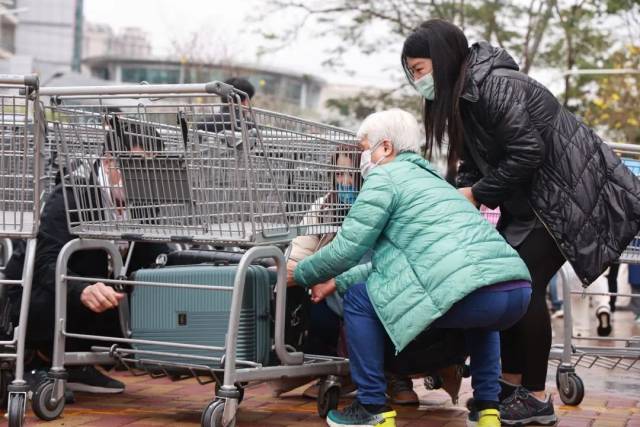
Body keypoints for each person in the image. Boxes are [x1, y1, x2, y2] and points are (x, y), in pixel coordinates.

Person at [401, 19, 640, 425]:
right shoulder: (467, 97)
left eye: (419, 69)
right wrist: (463, 195)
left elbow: (527, 152)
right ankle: (511, 390)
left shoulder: (496, 86)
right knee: (505, 282)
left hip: (565, 198)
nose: (415, 80)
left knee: (523, 284)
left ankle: (533, 395)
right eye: (409, 72)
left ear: (441, 60)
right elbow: (472, 164)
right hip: (532, 202)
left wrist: (477, 194)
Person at [294, 109, 532, 427]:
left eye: (365, 148)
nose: (362, 157)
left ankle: (371, 407)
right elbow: (394, 267)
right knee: (479, 306)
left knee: (360, 299)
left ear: (386, 148)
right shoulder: (433, 182)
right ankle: (488, 409)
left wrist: (300, 274)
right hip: (516, 289)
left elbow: (347, 248)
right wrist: (336, 281)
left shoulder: (384, 178)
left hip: (476, 291)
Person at [5, 115, 169, 395]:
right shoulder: (71, 196)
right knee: (59, 284)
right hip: (36, 298)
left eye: (151, 167)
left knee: (150, 291)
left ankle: (77, 362)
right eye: (137, 165)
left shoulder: (145, 206)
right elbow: (46, 262)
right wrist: (82, 288)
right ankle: (33, 361)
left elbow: (160, 258)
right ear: (108, 162)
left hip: (101, 297)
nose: (145, 176)